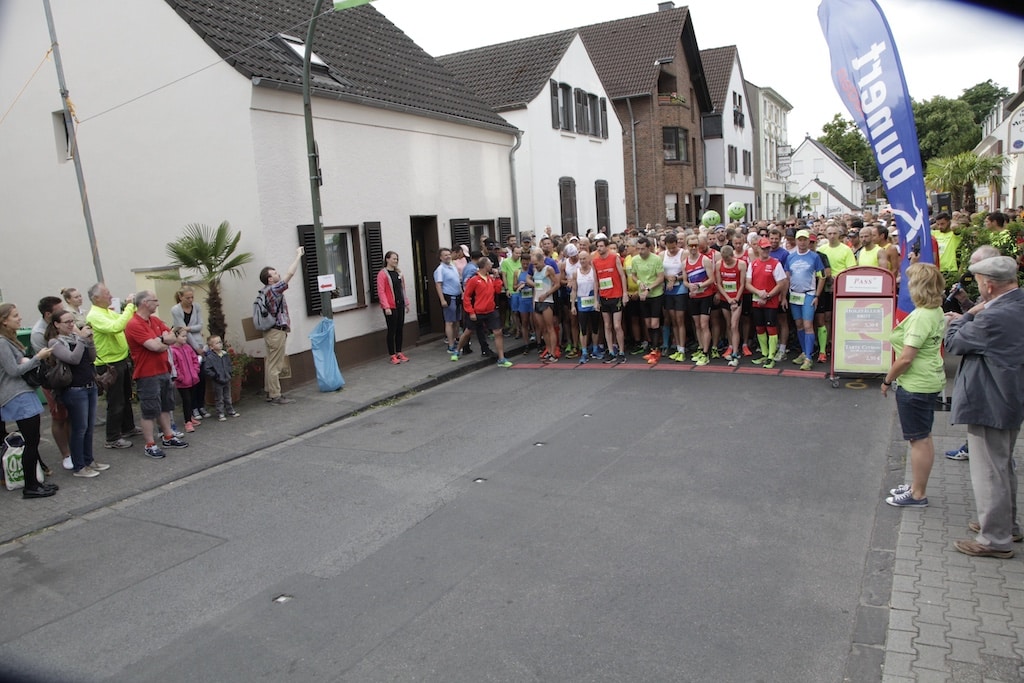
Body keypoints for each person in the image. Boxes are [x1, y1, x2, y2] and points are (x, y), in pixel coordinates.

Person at [944, 255, 1024, 558]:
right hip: (1009, 396)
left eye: (979, 284)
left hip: (990, 398)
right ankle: (1006, 526)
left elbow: (955, 344)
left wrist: (961, 318)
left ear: (989, 286)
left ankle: (995, 540)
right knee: (1002, 465)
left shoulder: (993, 316)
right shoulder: (1017, 303)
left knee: (989, 470)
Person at [881, 263, 947, 507]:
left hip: (916, 383)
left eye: (909, 282)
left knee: (918, 440)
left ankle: (918, 493)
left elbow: (907, 357)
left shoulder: (921, 316)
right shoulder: (934, 310)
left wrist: (887, 379)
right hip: (927, 379)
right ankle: (917, 485)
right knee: (923, 437)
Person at [0, 303, 58, 498]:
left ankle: (34, 483)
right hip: (17, 396)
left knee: (33, 441)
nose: (20, 318)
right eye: (15, 316)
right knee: (31, 442)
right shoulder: (1, 343)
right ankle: (31, 486)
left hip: (23, 394)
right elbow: (12, 371)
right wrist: (37, 358)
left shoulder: (9, 340)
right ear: (4, 320)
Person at [124, 290, 188, 458]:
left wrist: (161, 340)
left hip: (163, 369)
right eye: (155, 300)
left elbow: (172, 337)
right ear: (145, 302)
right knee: (149, 410)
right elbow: (153, 346)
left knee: (166, 406)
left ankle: (168, 436)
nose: (158, 303)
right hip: (147, 373)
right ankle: (150, 444)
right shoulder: (134, 324)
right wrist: (163, 340)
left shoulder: (155, 320)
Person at [46, 310, 109, 478]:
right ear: (57, 324)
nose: (71, 324)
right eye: (66, 322)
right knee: (79, 428)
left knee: (88, 428)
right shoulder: (55, 342)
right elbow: (72, 359)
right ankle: (79, 466)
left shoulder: (76, 338)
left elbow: (91, 358)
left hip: (89, 385)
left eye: (72, 321)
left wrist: (91, 342)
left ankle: (89, 460)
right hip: (74, 389)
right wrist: (82, 339)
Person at [86, 283, 139, 450]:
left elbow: (125, 320)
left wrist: (131, 308)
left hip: (121, 359)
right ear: (96, 298)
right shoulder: (95, 315)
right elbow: (116, 327)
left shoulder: (107, 311)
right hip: (109, 363)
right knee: (115, 401)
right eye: (107, 294)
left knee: (125, 397)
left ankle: (128, 427)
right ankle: (112, 437)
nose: (110, 296)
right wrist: (129, 305)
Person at [259, 246, 303, 405]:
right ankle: (276, 395)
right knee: (275, 364)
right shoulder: (273, 290)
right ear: (269, 279)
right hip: (276, 332)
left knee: (270, 362)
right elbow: (289, 275)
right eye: (274, 273)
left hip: (271, 331)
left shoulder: (265, 291)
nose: (278, 274)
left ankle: (270, 392)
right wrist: (298, 256)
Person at [30, 295, 66, 474]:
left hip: (67, 378)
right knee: (59, 417)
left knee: (70, 417)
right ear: (48, 314)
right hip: (53, 380)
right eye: (59, 309)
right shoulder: (38, 333)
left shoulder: (61, 323)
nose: (64, 311)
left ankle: (73, 451)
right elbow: (48, 360)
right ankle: (65, 454)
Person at [457, 257, 514, 367]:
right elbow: (467, 296)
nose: (492, 265)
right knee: (468, 332)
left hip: (491, 310)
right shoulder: (474, 279)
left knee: (498, 332)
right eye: (490, 264)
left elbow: (497, 290)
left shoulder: (490, 279)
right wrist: (471, 312)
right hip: (478, 311)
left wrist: (497, 278)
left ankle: (501, 358)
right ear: (485, 266)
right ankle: (457, 350)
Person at [786, 230, 826, 371]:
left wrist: (817, 296)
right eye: (799, 240)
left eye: (804, 240)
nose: (802, 243)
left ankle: (809, 358)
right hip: (794, 295)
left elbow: (822, 276)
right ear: (796, 241)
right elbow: (787, 277)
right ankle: (804, 352)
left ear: (809, 241)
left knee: (808, 324)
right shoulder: (790, 257)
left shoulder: (814, 257)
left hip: (808, 294)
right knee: (799, 325)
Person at [746, 237, 788, 369]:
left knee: (771, 328)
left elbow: (781, 283)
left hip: (771, 302)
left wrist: (768, 295)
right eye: (763, 248)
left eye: (768, 248)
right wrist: (759, 293)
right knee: (759, 327)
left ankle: (771, 355)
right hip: (757, 300)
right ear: (758, 248)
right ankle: (764, 353)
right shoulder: (753, 264)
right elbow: (747, 283)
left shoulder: (776, 263)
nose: (766, 250)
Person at [170, 286, 208, 421]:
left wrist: (189, 328)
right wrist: (195, 347)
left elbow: (200, 325)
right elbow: (183, 332)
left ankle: (201, 404)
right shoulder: (176, 310)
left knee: (201, 376)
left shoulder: (196, 307)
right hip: (186, 345)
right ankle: (193, 408)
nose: (191, 300)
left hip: (198, 342)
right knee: (190, 379)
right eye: (187, 298)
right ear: (181, 297)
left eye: (192, 297)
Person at [628, 236, 665, 364]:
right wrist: (639, 282)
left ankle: (655, 350)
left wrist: (648, 288)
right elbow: (633, 275)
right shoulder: (635, 260)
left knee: (655, 323)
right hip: (642, 294)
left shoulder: (656, 259)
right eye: (638, 249)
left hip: (655, 294)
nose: (640, 251)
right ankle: (653, 347)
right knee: (648, 323)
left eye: (643, 249)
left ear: (649, 248)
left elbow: (660, 277)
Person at [592, 236, 628, 364]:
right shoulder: (595, 261)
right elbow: (596, 281)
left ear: (607, 247)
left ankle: (622, 352)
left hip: (616, 295)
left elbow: (622, 275)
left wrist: (624, 293)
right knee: (607, 325)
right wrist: (596, 300)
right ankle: (611, 351)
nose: (600, 248)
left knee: (617, 325)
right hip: (604, 296)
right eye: (598, 246)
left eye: (602, 246)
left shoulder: (614, 258)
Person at [376, 250, 411, 365]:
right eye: (393, 258)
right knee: (392, 330)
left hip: (400, 304)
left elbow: (402, 289)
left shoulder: (399, 273)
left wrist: (406, 303)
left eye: (397, 259)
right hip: (390, 306)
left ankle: (399, 352)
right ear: (387, 259)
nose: (395, 261)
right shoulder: (383, 274)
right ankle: (392, 355)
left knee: (400, 329)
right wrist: (386, 307)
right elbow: (381, 291)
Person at [715, 245, 746, 367]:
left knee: (734, 325)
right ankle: (731, 346)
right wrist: (728, 299)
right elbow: (719, 283)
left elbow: (743, 284)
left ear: (732, 256)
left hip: (736, 298)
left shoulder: (741, 264)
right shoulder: (719, 264)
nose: (726, 262)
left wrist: (736, 300)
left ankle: (735, 353)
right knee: (728, 324)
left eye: (728, 259)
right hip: (725, 298)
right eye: (724, 259)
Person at [170, 327, 202, 432]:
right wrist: (180, 377)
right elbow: (174, 366)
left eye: (185, 336)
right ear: (175, 336)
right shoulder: (173, 350)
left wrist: (196, 370)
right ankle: (187, 421)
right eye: (183, 336)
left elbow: (194, 359)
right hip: (183, 382)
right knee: (186, 400)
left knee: (192, 399)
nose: (185, 338)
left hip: (193, 378)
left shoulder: (188, 347)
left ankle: (190, 417)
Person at [203, 335, 240, 421]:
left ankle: (230, 410)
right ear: (211, 347)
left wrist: (230, 373)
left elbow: (229, 365)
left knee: (228, 396)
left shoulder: (225, 354)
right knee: (219, 398)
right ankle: (220, 413)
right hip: (217, 380)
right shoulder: (210, 357)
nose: (220, 344)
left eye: (220, 342)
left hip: (226, 378)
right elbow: (207, 369)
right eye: (217, 343)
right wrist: (215, 376)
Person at [434, 248, 463, 354]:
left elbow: (458, 282)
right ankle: (450, 345)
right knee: (449, 322)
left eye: (449, 254)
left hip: (458, 296)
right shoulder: (440, 269)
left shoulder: (453, 266)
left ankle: (455, 340)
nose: (448, 256)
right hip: (449, 297)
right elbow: (438, 285)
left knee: (456, 321)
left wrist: (462, 293)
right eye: (445, 255)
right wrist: (442, 300)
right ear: (440, 257)